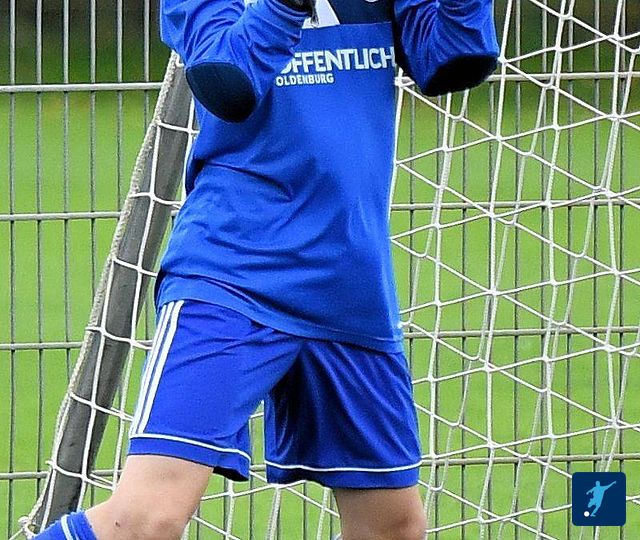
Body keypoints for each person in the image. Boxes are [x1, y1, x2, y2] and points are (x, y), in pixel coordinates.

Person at [35, 0, 498, 538]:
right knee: (146, 520)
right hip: (235, 274)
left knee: (392, 527)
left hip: (350, 284)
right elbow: (227, 82)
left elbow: (454, 57)